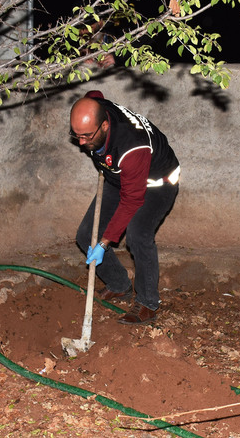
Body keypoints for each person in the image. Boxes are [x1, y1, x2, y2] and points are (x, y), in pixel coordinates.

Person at [70, 91, 180, 325]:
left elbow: (132, 200)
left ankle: (148, 303)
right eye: (76, 135)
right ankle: (120, 284)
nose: (80, 143)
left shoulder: (132, 147)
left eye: (87, 136)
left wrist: (104, 242)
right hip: (119, 177)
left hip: (156, 184)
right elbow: (95, 95)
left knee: (138, 235)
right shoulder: (97, 108)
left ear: (106, 125)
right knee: (85, 235)